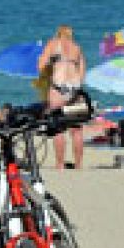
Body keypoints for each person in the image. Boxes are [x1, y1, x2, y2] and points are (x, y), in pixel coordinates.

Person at [37, 25, 87, 169]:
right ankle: (78, 165)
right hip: (75, 89)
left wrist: (49, 64)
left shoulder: (53, 44)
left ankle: (60, 164)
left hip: (59, 88)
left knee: (58, 128)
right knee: (76, 130)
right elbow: (82, 73)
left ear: (58, 33)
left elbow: (41, 66)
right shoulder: (77, 48)